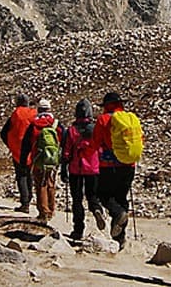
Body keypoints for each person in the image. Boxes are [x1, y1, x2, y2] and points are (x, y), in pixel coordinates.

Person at [94, 91, 140, 246]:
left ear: (106, 106)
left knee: (104, 195)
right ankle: (120, 238)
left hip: (108, 165)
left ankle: (117, 215)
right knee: (122, 198)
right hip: (129, 164)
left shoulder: (103, 119)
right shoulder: (131, 119)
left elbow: (96, 142)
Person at [61, 99, 105, 240]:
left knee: (77, 200)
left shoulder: (71, 131)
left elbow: (66, 152)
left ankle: (78, 230)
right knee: (92, 196)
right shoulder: (96, 129)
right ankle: (97, 209)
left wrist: (64, 168)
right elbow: (101, 150)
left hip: (76, 169)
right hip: (93, 168)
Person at [20, 98, 63, 222]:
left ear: (38, 110)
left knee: (40, 184)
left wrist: (24, 161)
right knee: (51, 183)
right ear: (49, 109)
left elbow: (26, 144)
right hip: (53, 159)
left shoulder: (34, 124)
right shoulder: (55, 123)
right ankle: (51, 209)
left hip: (38, 157)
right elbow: (63, 139)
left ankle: (43, 212)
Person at [0, 93, 37, 213]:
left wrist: (10, 145)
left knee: (21, 175)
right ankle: (30, 198)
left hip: (18, 150)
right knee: (29, 175)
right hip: (31, 150)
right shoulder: (33, 114)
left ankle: (24, 203)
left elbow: (3, 133)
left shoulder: (15, 114)